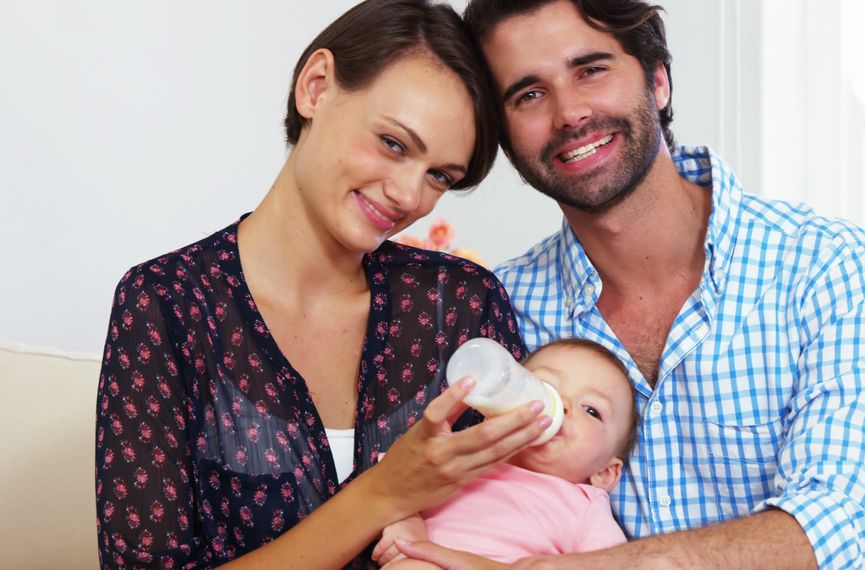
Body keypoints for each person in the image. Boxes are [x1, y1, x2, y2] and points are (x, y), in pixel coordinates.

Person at [395, 0, 865, 568]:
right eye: (529, 94)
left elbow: (844, 522)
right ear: (506, 136)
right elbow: (439, 494)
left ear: (658, 80)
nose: (569, 113)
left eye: (591, 69)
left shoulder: (829, 267)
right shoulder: (499, 307)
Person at [93, 1, 555, 568]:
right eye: (393, 143)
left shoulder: (459, 305)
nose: (409, 196)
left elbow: (536, 508)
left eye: (440, 176)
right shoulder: (166, 304)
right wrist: (385, 492)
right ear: (315, 88)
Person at [372, 338, 637, 567]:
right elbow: (393, 485)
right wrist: (407, 522)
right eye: (545, 388)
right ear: (494, 411)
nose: (562, 405)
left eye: (592, 410)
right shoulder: (458, 458)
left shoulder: (584, 509)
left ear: (605, 473)